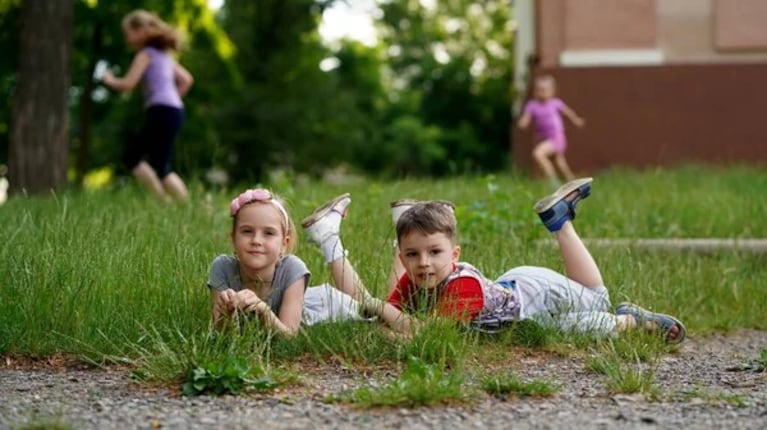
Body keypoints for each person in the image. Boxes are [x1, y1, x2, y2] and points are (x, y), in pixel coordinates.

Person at [301, 178, 687, 343]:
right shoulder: (417, 280)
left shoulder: (462, 286)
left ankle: (560, 223)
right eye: (413, 256)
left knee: (596, 299)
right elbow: (394, 313)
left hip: (533, 291)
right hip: (528, 317)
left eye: (435, 253)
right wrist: (383, 316)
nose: (424, 264)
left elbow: (421, 333)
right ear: (403, 257)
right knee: (581, 329)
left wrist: (381, 317)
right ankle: (635, 321)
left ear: (455, 255)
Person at [207, 189, 370, 335]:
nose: (256, 240)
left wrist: (263, 310)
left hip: (328, 306)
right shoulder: (222, 268)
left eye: (269, 233)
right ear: (233, 239)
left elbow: (289, 335)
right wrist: (225, 313)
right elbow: (219, 333)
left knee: (371, 310)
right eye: (247, 231)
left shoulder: (292, 268)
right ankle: (326, 233)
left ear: (284, 244)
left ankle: (328, 237)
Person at [102, 9, 193, 203]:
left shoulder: (147, 54)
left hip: (161, 110)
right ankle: (183, 205)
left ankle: (164, 202)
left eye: (128, 33)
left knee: (132, 156)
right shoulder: (166, 56)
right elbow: (186, 80)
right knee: (161, 164)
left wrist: (109, 80)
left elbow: (128, 84)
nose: (127, 39)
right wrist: (173, 99)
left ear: (141, 30)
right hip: (174, 111)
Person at [518, 75, 585, 189]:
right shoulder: (532, 105)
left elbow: (567, 113)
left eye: (544, 90)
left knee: (538, 154)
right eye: (538, 90)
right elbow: (526, 117)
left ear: (552, 91)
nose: (541, 92)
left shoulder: (555, 103)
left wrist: (576, 120)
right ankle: (575, 185)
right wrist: (523, 122)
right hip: (544, 138)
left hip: (556, 136)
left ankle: (554, 182)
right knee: (560, 162)